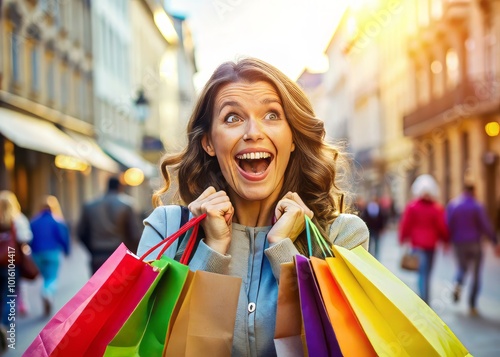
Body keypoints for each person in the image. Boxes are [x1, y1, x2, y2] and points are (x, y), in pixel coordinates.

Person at [137, 57, 369, 356]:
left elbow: (341, 347)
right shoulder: (166, 230)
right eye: (232, 118)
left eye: (271, 115)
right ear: (209, 142)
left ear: (293, 137)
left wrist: (286, 253)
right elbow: (153, 345)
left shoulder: (342, 238)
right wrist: (212, 250)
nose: (253, 132)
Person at [446, 185, 500, 316]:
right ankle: (472, 305)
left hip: (459, 243)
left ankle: (457, 284)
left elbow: (448, 223)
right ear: (473, 192)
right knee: (476, 274)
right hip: (475, 243)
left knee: (461, 268)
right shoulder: (477, 206)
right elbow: (485, 225)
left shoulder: (454, 205)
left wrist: (447, 241)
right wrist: (494, 241)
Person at [399, 174, 449, 304]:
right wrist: (445, 241)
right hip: (430, 245)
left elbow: (406, 224)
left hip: (418, 244)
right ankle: (425, 298)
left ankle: (424, 298)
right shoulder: (436, 208)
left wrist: (403, 238)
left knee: (422, 272)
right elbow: (442, 227)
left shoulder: (412, 207)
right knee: (426, 272)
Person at [77, 177, 141, 274]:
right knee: (121, 288)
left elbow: (81, 233)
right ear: (120, 187)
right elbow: (135, 235)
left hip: (98, 255)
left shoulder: (90, 205)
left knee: (99, 287)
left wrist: (92, 250)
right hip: (120, 256)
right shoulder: (127, 205)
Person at [0, 191, 33, 351]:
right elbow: (26, 238)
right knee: (10, 296)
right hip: (12, 262)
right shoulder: (18, 219)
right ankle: (5, 325)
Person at [30, 195, 70, 316]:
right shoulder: (57, 221)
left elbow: (29, 238)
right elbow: (63, 238)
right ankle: (47, 293)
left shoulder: (33, 221)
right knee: (51, 277)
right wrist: (67, 251)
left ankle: (46, 296)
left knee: (45, 277)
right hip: (52, 252)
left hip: (37, 254)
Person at [361, 195, 387, 259]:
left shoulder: (368, 208)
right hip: (374, 229)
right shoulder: (378, 208)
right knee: (375, 244)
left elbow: (365, 218)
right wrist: (381, 228)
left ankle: (370, 256)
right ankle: (375, 257)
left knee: (371, 244)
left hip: (371, 228)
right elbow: (382, 218)